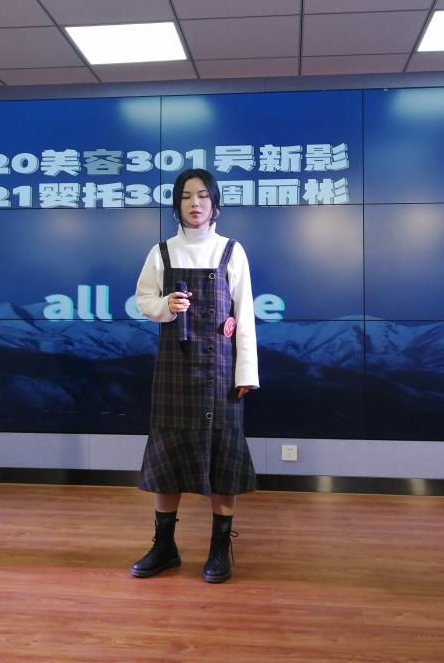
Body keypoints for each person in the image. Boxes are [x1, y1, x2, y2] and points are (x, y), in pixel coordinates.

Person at [131, 168, 260, 583]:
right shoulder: (162, 252)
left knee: (222, 455)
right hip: (175, 368)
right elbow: (142, 300)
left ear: (215, 203)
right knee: (167, 455)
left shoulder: (231, 251)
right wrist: (165, 305)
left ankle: (219, 548)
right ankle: (164, 546)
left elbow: (245, 316)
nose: (195, 203)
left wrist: (246, 372)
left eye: (203, 195)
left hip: (221, 372)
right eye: (186, 196)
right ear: (177, 205)